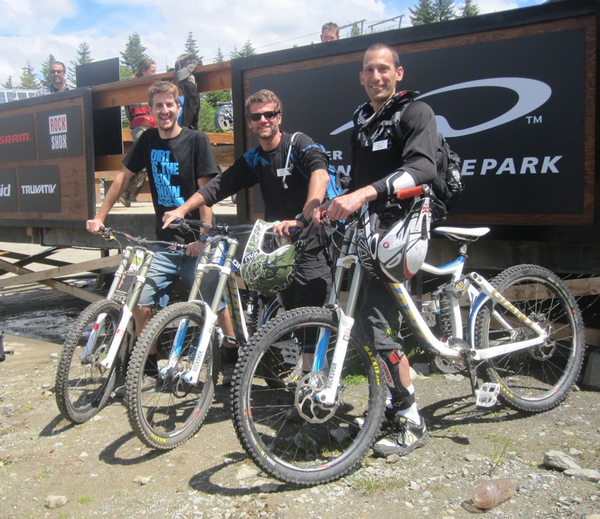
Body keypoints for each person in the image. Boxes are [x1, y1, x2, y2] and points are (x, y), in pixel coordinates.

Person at [162, 89, 333, 383]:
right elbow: (219, 185)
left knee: (310, 317)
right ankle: (277, 366)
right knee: (288, 309)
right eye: (256, 116)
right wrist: (183, 208)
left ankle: (313, 384)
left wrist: (304, 217)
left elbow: (321, 173)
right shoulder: (255, 159)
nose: (263, 120)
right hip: (279, 244)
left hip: (312, 241)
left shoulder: (297, 144)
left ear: (279, 117)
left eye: (269, 114)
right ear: (250, 123)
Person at [321, 43, 437, 457]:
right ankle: (388, 404)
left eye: (384, 69)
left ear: (398, 73)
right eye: (369, 70)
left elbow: (424, 168)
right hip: (368, 233)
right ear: (361, 77)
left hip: (403, 230)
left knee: (378, 323)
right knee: (364, 321)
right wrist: (333, 206)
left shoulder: (416, 113)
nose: (376, 76)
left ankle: (410, 420)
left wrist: (363, 195)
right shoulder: (362, 121)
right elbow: (357, 182)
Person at [86, 80, 233, 390]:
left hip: (196, 241)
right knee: (140, 302)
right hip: (164, 244)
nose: (165, 110)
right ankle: (149, 365)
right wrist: (99, 216)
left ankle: (233, 357)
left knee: (216, 299)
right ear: (150, 111)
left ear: (178, 108)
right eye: (158, 106)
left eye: (170, 104)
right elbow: (121, 179)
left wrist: (203, 239)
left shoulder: (196, 140)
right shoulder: (148, 140)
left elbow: (208, 191)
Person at [119, 59, 158, 207]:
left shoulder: (154, 85)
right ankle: (125, 190)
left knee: (152, 160)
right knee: (147, 159)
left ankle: (127, 192)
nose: (155, 73)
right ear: (143, 70)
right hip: (140, 126)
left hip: (154, 127)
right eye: (152, 71)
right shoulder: (133, 86)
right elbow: (131, 106)